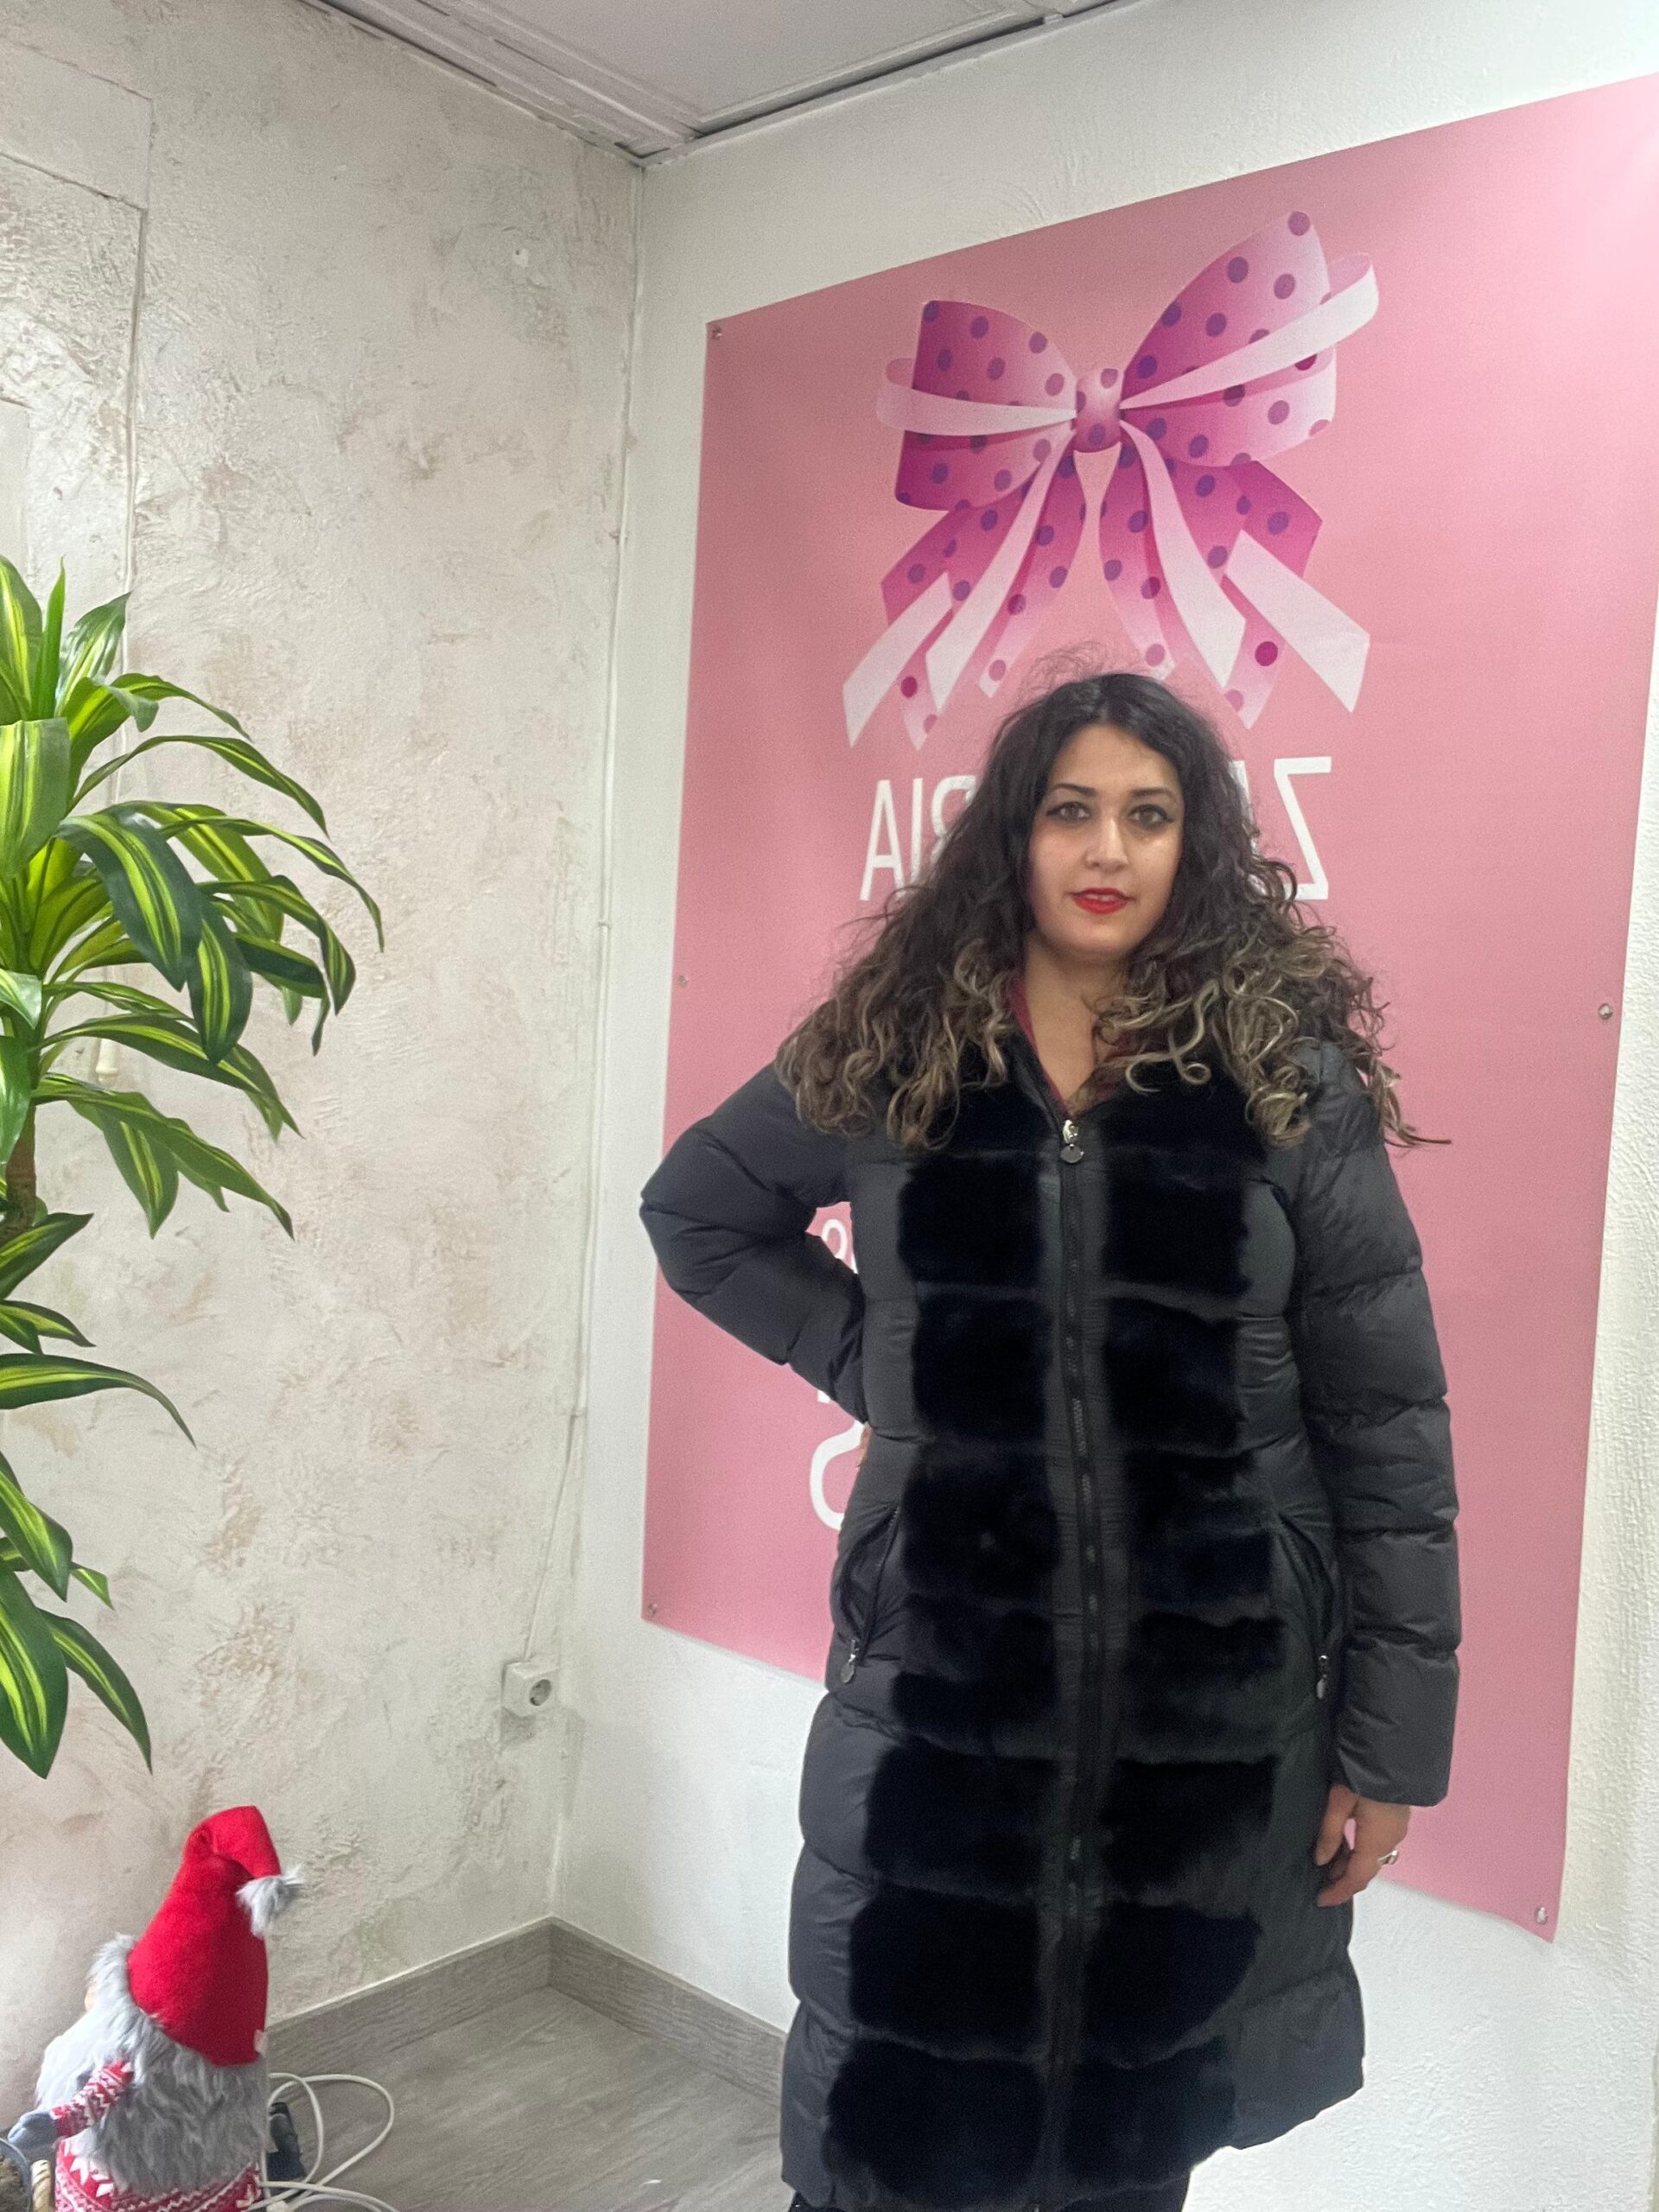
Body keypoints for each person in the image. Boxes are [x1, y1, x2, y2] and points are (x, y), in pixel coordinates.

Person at [638, 669, 1461, 2212]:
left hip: (1209, 1723)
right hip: (945, 1693)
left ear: (1193, 843)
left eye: (1148, 815)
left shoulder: (1280, 1075)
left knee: (1130, 2146)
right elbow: (699, 1211)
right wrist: (892, 1368)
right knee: (895, 2132)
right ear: (1012, 832)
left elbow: (1388, 1427)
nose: (1107, 849)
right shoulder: (903, 1045)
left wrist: (1392, 1752)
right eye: (1071, 809)